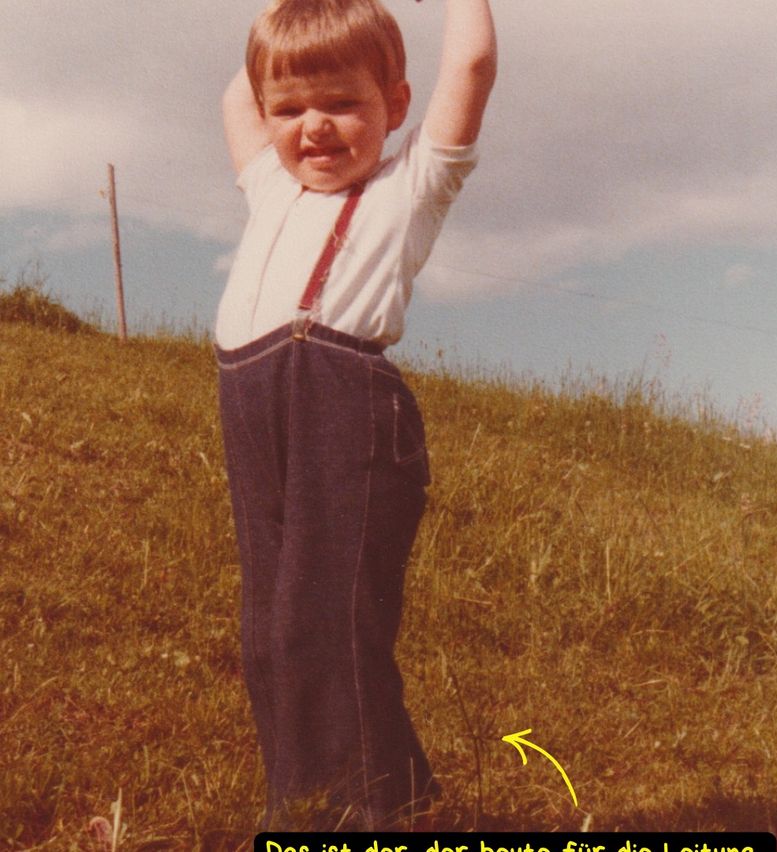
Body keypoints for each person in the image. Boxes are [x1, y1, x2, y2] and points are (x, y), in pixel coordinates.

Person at [215, 0, 496, 831]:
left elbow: (471, 64)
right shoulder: (269, 181)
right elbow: (242, 92)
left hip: (345, 405)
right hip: (253, 402)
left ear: (395, 107)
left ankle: (353, 817)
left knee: (324, 621)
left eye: (343, 103)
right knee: (270, 632)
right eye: (292, 109)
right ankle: (344, 803)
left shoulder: (411, 186)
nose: (316, 128)